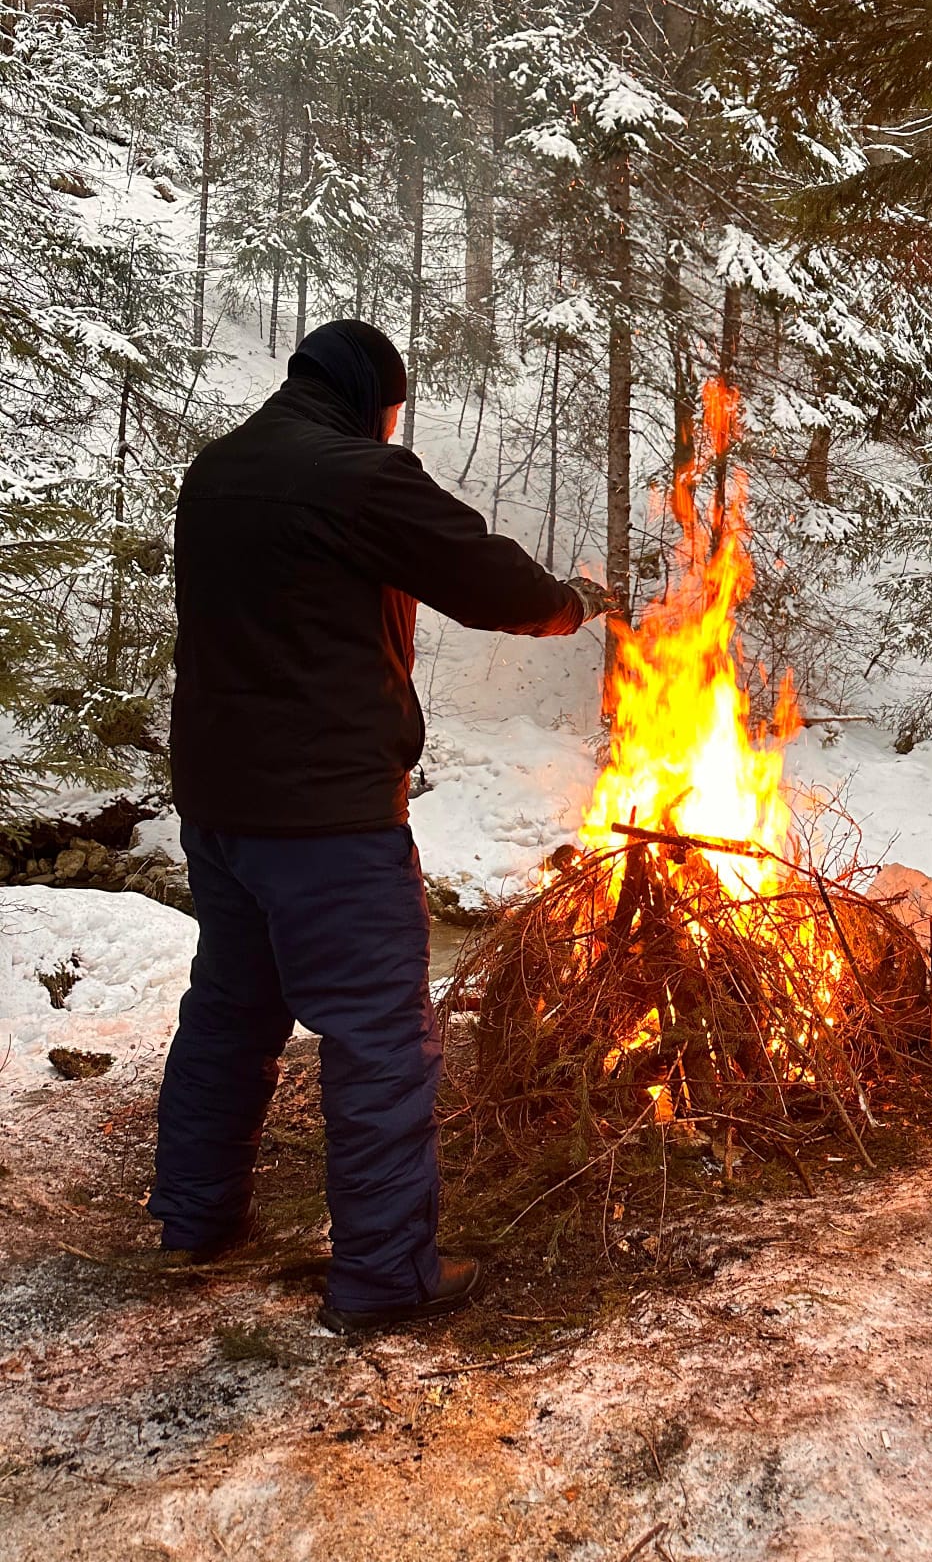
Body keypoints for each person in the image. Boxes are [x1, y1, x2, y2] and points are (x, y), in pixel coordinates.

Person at [151, 320, 612, 1329]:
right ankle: (385, 1278)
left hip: (224, 809)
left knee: (231, 1012)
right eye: (395, 409)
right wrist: (574, 603)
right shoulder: (357, 474)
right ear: (374, 398)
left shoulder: (218, 470)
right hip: (328, 820)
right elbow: (490, 583)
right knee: (378, 1041)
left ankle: (194, 1220)